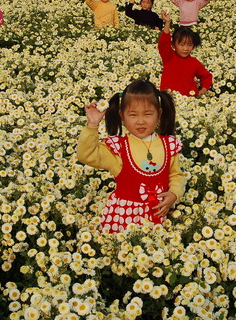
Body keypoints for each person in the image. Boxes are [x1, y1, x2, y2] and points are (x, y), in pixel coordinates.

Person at [77, 79, 185, 233]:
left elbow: (176, 175)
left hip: (156, 215)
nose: (141, 121)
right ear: (122, 116)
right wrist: (92, 124)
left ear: (159, 113)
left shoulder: (168, 145)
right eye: (133, 115)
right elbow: (85, 155)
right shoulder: (119, 148)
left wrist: (174, 193)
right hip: (122, 220)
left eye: (148, 114)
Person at [158, 11, 213, 97]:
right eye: (181, 44)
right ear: (173, 45)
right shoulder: (169, 57)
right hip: (168, 100)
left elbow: (207, 77)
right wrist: (167, 22)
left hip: (189, 103)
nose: (185, 49)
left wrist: (202, 91)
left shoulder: (194, 63)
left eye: (189, 45)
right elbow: (163, 43)